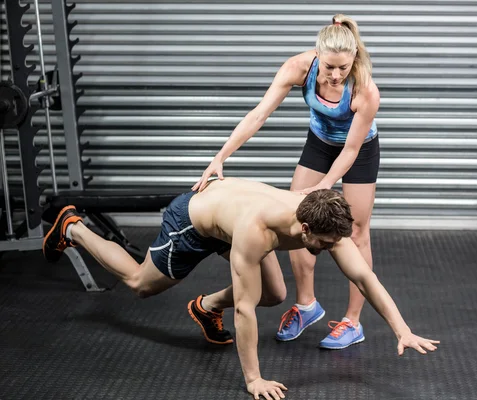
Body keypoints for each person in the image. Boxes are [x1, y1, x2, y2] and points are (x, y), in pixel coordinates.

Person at [43, 177, 439, 400]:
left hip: (230, 211)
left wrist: (401, 328)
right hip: (193, 223)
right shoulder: (257, 233)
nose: (329, 250)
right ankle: (72, 227)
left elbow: (365, 278)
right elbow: (246, 310)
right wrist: (254, 380)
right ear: (304, 230)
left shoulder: (322, 218)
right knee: (139, 283)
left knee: (275, 294)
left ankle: (205, 307)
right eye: (323, 243)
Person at [192, 14, 381, 349]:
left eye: (343, 68)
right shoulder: (298, 68)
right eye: (329, 67)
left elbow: (351, 149)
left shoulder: (365, 90)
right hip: (320, 143)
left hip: (359, 152)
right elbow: (259, 114)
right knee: (300, 217)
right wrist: (220, 156)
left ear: (354, 59)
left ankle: (353, 321)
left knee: (355, 231)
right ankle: (307, 305)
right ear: (317, 55)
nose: (336, 76)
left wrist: (324, 185)